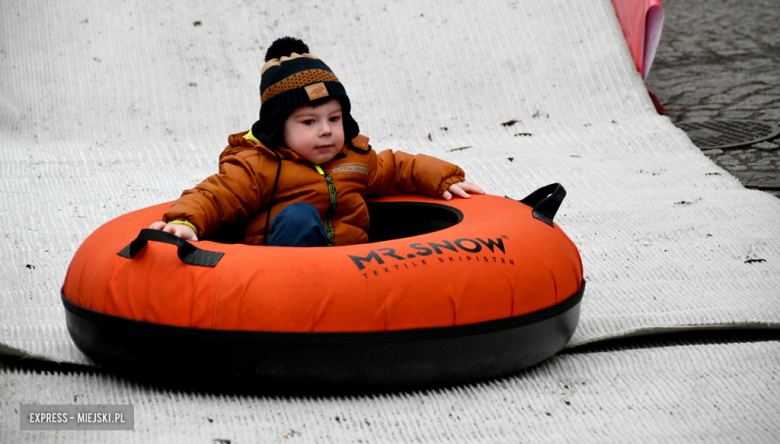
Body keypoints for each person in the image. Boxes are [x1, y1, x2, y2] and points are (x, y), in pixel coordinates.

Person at [150, 37, 484, 247]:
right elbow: (217, 195)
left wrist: (444, 177)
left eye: (334, 119)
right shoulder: (257, 167)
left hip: (351, 270)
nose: (325, 130)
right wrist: (185, 222)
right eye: (309, 122)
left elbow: (399, 167)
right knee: (298, 215)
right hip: (281, 270)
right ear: (279, 127)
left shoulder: (355, 159)